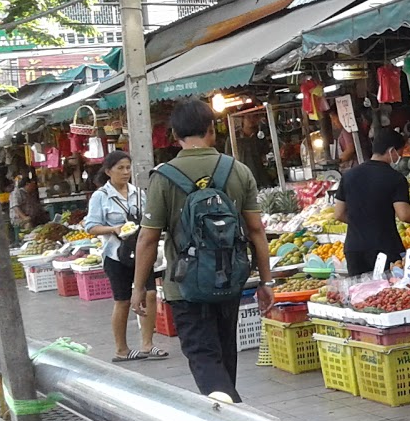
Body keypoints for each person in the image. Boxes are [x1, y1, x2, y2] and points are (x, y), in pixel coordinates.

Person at [131, 99, 273, 403]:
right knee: (224, 352)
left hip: (184, 285)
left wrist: (139, 287)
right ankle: (231, 414)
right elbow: (257, 231)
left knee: (202, 355)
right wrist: (266, 281)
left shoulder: (163, 177)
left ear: (174, 135)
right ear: (213, 129)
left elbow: (146, 239)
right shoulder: (238, 170)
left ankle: (233, 414)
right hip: (230, 280)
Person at [84, 151, 166, 363]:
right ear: (108, 170)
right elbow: (91, 227)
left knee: (149, 294)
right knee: (122, 300)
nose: (125, 172)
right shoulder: (101, 196)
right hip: (115, 254)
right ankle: (121, 349)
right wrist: (114, 229)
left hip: (141, 251)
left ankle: (148, 344)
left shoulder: (138, 194)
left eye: (128, 167)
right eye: (120, 168)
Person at [335, 129, 410, 276]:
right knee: (389, 293)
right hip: (384, 248)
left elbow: (339, 214)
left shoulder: (349, 176)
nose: (400, 156)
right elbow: (405, 215)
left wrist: (362, 222)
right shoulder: (395, 178)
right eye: (400, 151)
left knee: (361, 293)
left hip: (354, 249)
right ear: (391, 151)